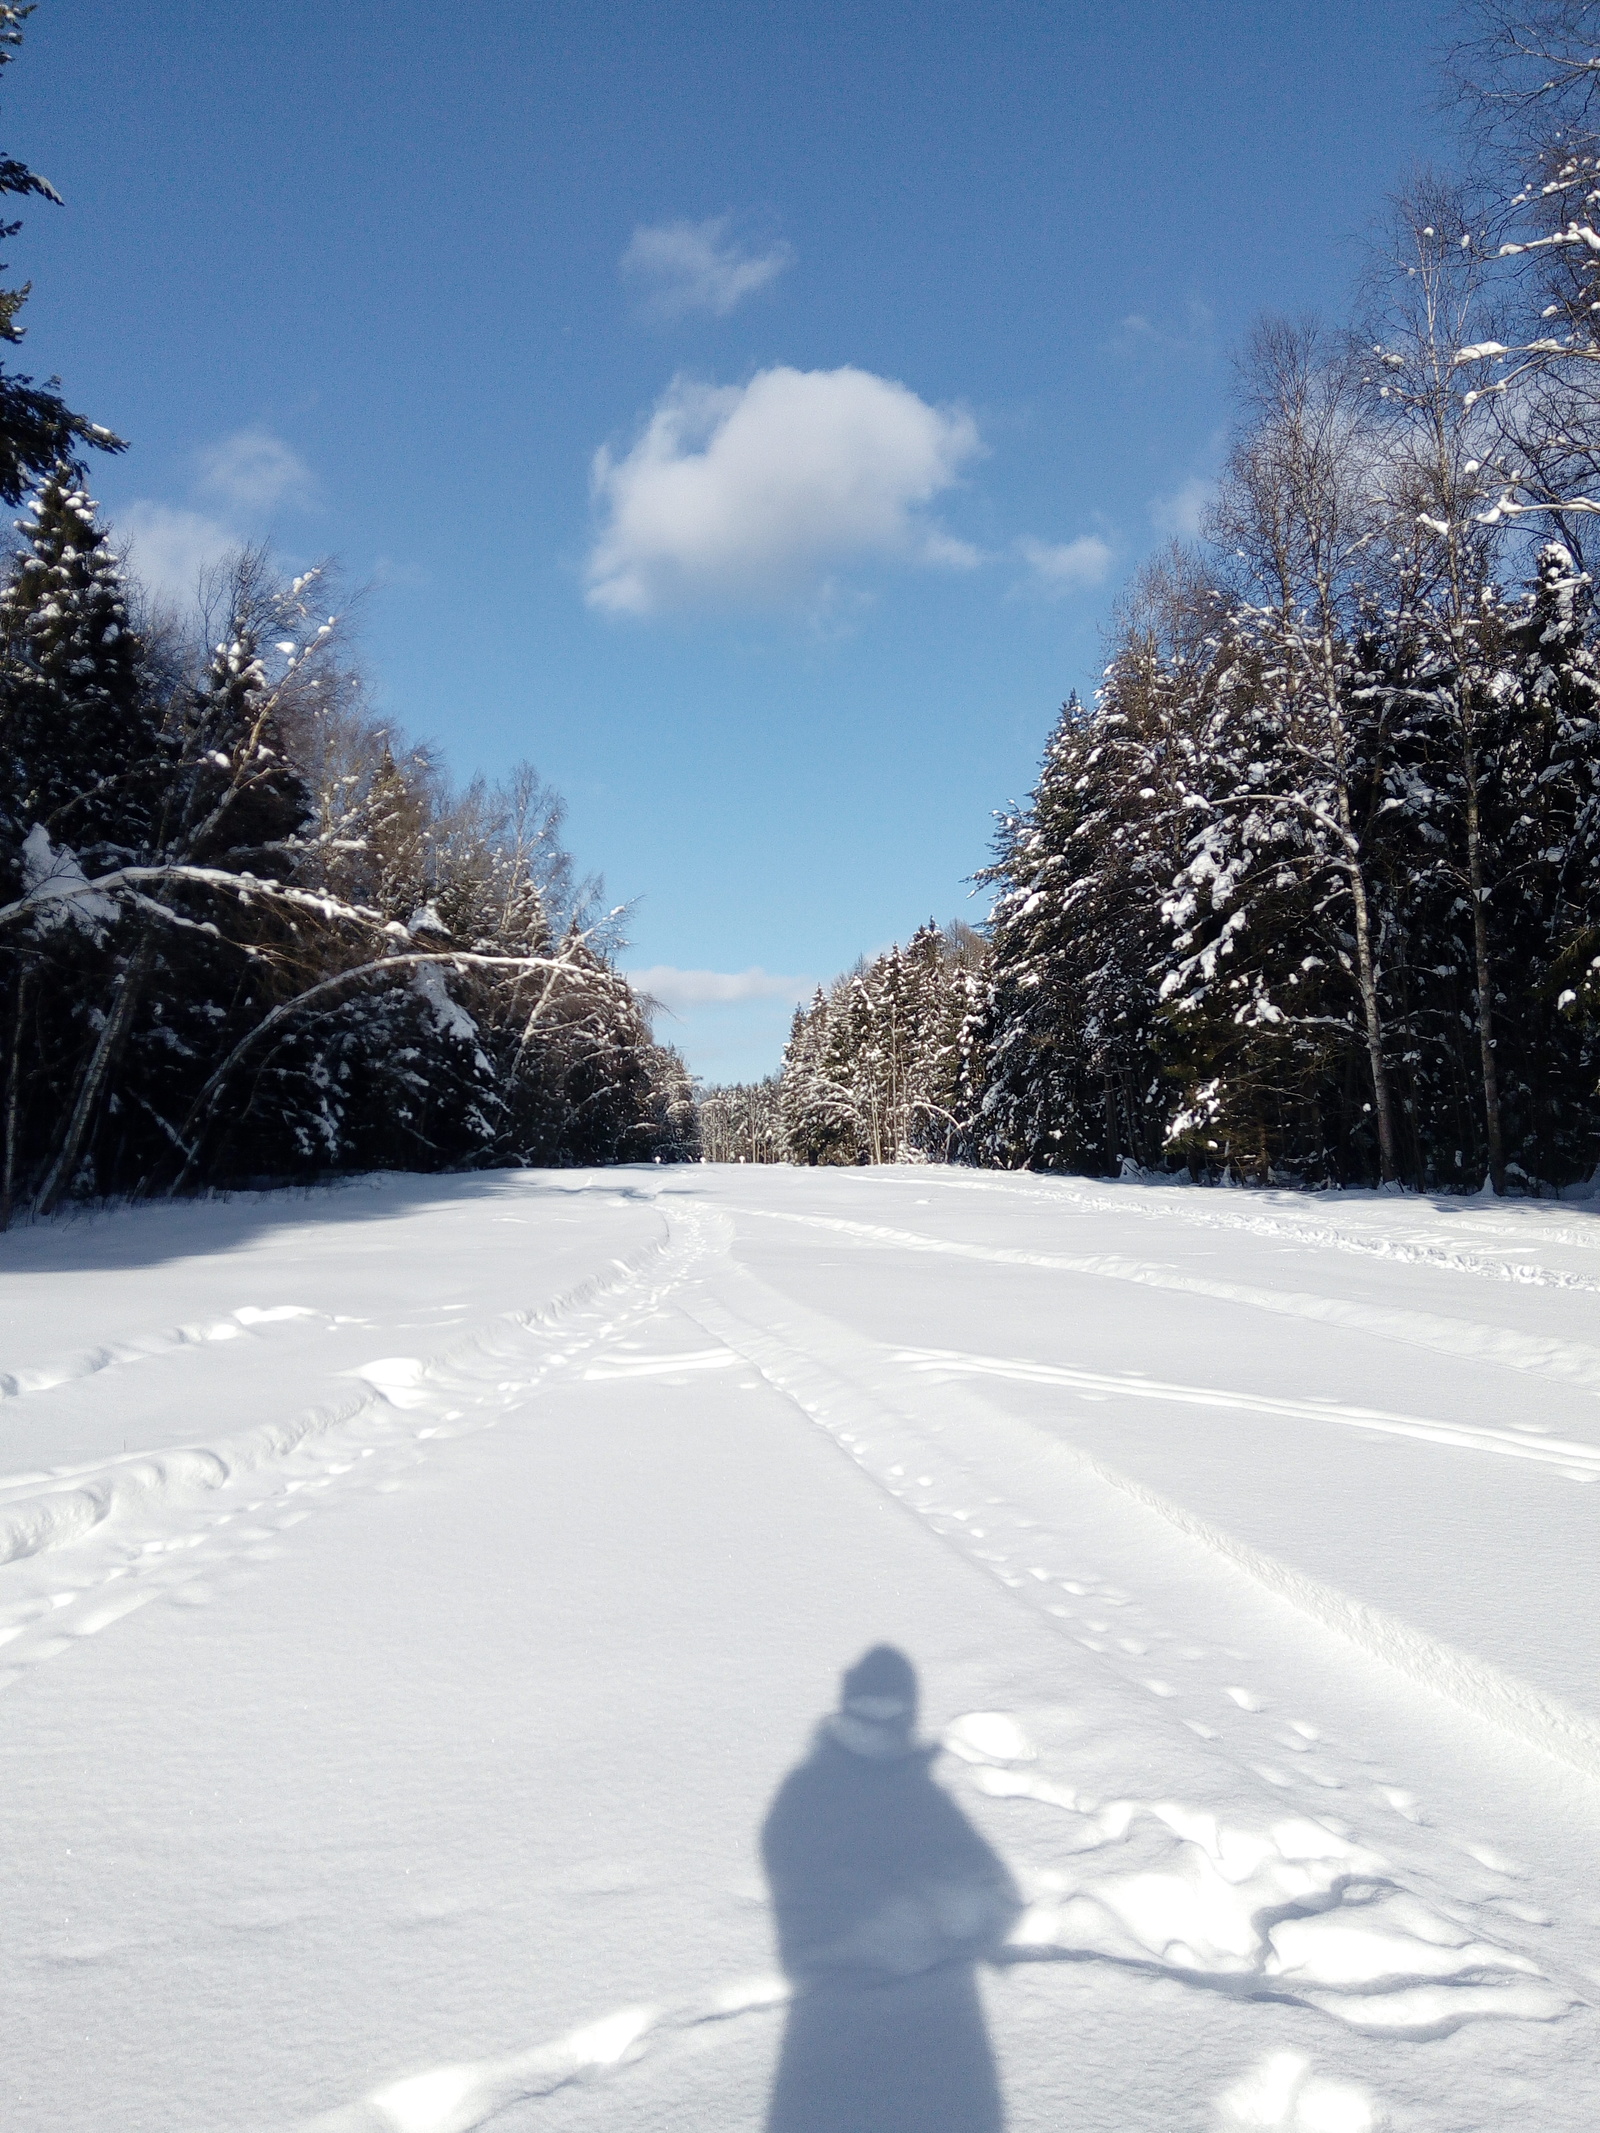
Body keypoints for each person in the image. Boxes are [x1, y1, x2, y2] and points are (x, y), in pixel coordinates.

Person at [761, 1647, 1020, 2133]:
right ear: (908, 1714)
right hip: (931, 2037)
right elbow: (996, 1903)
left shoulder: (797, 1798)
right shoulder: (918, 1800)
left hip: (823, 2042)